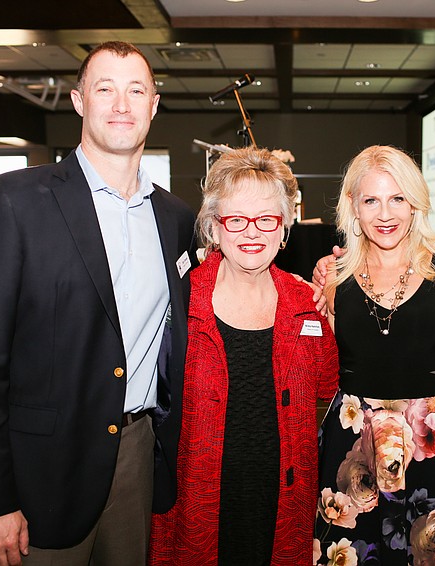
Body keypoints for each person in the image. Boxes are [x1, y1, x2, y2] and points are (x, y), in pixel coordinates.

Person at [0, 41, 198, 566]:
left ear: (154, 105)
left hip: (136, 459)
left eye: (136, 90)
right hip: (40, 473)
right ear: (80, 100)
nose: (122, 104)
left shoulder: (175, 218)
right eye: (105, 88)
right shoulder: (13, 201)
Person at [148, 147, 339, 565]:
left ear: (284, 227)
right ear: (214, 228)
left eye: (266, 219)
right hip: (195, 512)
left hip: (283, 511)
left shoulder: (306, 304)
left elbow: (329, 385)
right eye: (236, 219)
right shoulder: (179, 302)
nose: (252, 233)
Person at [313, 146, 435, 565]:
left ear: (415, 203)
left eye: (397, 198)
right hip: (354, 448)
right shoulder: (333, 276)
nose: (385, 214)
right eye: (371, 200)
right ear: (353, 206)